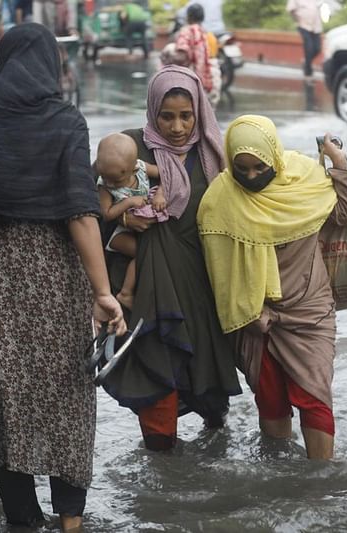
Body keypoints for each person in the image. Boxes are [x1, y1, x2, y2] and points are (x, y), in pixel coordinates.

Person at [0, 23, 127, 529]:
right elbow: (80, 212)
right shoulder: (64, 121)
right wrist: (103, 293)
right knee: (67, 399)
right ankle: (70, 522)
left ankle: (22, 520)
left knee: (0, 399)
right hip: (52, 276)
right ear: (51, 64)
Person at [196, 115, 347, 459]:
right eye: (243, 170)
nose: (252, 177)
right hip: (254, 321)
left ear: (275, 157)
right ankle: (279, 479)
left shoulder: (306, 183)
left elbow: (343, 214)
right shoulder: (219, 201)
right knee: (270, 400)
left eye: (260, 167)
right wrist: (250, 311)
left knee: (315, 398)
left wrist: (338, 161)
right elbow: (218, 273)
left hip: (309, 312)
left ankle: (318, 485)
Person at [102, 65, 242, 451]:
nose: (177, 127)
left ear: (199, 111)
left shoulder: (214, 153)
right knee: (156, 373)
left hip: (202, 289)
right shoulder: (130, 149)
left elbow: (239, 216)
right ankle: (161, 471)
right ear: (151, 112)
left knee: (210, 391)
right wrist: (125, 216)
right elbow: (93, 208)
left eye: (186, 116)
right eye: (167, 116)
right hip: (149, 288)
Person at [95, 132, 168, 310]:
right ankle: (126, 293)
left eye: (116, 180)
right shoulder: (104, 185)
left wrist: (160, 194)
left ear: (133, 168)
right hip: (119, 234)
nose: (110, 183)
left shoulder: (142, 168)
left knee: (152, 251)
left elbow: (166, 174)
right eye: (105, 177)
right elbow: (106, 214)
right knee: (142, 253)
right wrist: (127, 202)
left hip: (142, 230)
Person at [172, 4, 214, 102]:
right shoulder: (205, 32)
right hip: (203, 79)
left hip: (188, 79)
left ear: (188, 16)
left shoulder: (187, 31)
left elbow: (181, 55)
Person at [286, 0, 322, 84]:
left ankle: (306, 62)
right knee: (309, 48)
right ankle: (308, 74)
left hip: (316, 27)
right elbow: (291, 10)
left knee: (317, 48)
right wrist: (298, 20)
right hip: (304, 26)